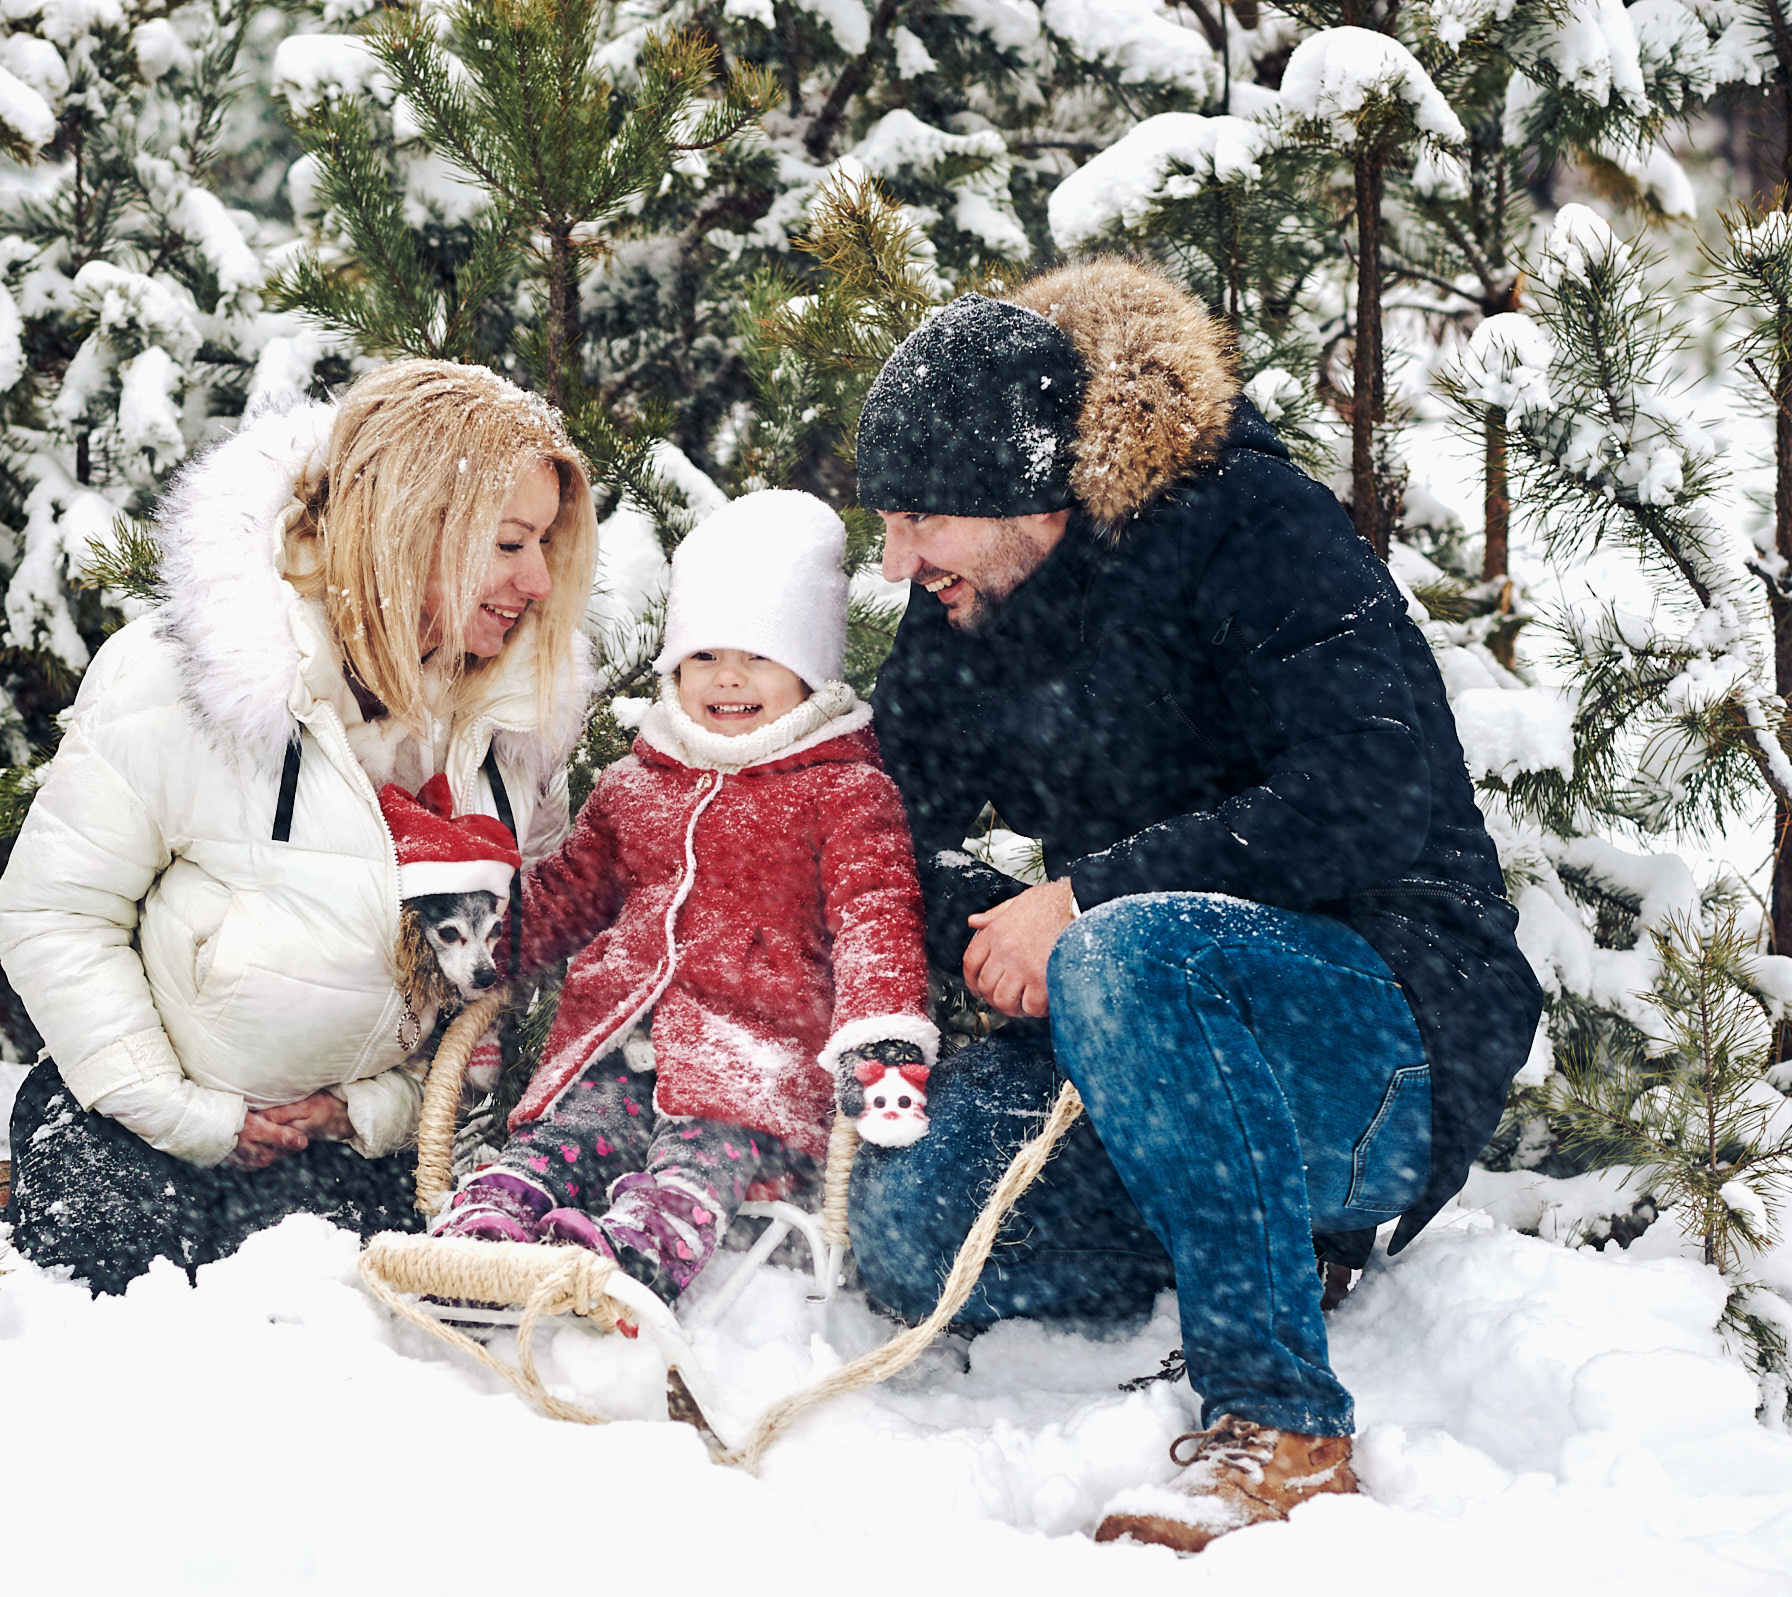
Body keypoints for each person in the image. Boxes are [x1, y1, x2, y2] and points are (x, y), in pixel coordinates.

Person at [849, 261, 1543, 1551]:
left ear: (1025, 496)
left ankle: (1280, 1420)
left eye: (914, 518)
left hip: (1384, 1039)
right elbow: (885, 820)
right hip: (1150, 1038)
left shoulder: (1252, 523)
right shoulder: (967, 596)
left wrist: (1080, 903)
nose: (896, 558)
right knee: (906, 1226)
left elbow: (1373, 794)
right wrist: (990, 930)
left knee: (1129, 947)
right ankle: (1246, 1222)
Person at [0, 361, 597, 1295]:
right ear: (409, 527)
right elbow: (55, 914)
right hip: (137, 1128)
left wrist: (367, 1111)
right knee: (115, 1294)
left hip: (352, 1148)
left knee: (360, 1321)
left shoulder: (508, 732)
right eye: (508, 542)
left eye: (546, 543)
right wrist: (188, 1114)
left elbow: (504, 977)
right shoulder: (185, 681)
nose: (538, 579)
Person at [431, 491, 937, 1301]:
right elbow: (572, 890)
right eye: (704, 656)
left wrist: (886, 1051)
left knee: (701, 1150)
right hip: (618, 1046)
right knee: (570, 1132)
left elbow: (877, 916)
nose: (727, 676)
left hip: (757, 1059)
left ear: (810, 669)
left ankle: (634, 1256)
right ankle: (489, 1222)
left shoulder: (845, 791)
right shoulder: (636, 784)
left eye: (759, 655)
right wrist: (489, 940)